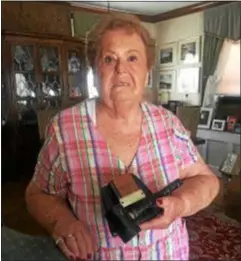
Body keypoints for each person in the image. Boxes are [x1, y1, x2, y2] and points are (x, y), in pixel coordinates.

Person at [25, 13, 220, 261]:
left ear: (147, 71)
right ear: (94, 70)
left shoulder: (169, 124)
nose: (121, 69)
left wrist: (180, 204)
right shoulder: (64, 129)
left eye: (132, 58)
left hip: (168, 253)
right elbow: (37, 194)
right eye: (109, 59)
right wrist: (62, 223)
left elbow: (207, 181)